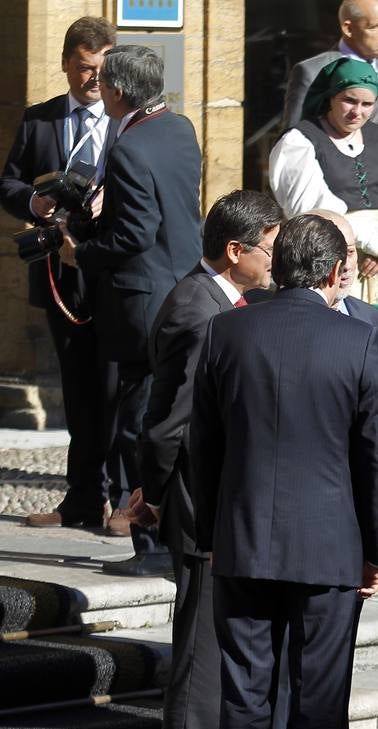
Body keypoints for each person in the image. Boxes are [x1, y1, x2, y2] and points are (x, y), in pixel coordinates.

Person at [192, 213, 378, 729]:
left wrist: (210, 536)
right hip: (330, 550)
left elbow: (205, 449)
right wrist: (376, 548)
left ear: (280, 267)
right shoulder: (360, 340)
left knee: (248, 696)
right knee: (318, 698)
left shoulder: (227, 330)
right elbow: (377, 456)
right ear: (337, 273)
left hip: (245, 541)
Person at [122, 191, 282, 729]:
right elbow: (169, 423)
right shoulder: (198, 309)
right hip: (200, 503)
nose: (277, 259)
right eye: (269, 247)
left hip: (223, 502)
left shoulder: (222, 302)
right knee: (198, 657)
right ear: (236, 250)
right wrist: (154, 494)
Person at [263, 208, 378, 729]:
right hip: (279, 526)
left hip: (337, 529)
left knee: (326, 670)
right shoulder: (254, 322)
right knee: (280, 666)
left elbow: (376, 439)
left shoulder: (367, 323)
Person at [61, 44, 202, 578]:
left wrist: (82, 253)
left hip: (141, 300)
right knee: (169, 415)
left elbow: (134, 235)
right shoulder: (180, 127)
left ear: (118, 91)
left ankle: (153, 545)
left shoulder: (128, 148)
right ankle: (171, 537)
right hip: (184, 287)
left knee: (141, 424)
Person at [1, 17, 118, 534]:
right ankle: (82, 500)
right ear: (68, 62)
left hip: (113, 274)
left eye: (104, 68)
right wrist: (34, 200)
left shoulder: (128, 121)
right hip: (59, 274)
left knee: (117, 389)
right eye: (86, 68)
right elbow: (7, 181)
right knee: (77, 389)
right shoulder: (39, 120)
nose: (95, 79)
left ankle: (122, 499)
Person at [270, 57, 378, 304]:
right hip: (333, 254)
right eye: (349, 100)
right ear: (331, 97)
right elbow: (308, 207)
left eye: (367, 104)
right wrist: (372, 242)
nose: (357, 111)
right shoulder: (300, 141)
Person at [281, 0, 378, 245]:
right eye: (376, 26)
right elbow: (294, 150)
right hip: (335, 228)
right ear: (348, 28)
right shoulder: (312, 71)